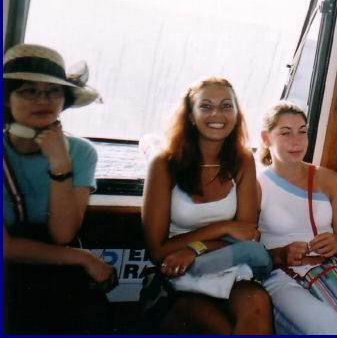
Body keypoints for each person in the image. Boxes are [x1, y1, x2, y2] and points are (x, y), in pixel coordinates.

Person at [140, 77, 273, 334]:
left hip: (228, 265)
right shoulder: (164, 164)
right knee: (217, 326)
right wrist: (223, 227)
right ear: (190, 116)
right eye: (206, 106)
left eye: (226, 105)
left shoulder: (243, 160)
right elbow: (157, 251)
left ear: (236, 114)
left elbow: (246, 235)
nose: (217, 114)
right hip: (176, 272)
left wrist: (196, 248)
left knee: (257, 303)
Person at [3, 43, 116, 333]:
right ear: (7, 100)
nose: (43, 100)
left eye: (53, 91)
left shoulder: (81, 153)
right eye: (29, 90)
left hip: (52, 268)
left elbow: (63, 234)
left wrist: (60, 164)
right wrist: (83, 258)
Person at [257, 101, 337, 334]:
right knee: (333, 331)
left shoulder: (329, 179)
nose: (296, 141)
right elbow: (246, 254)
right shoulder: (256, 185)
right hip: (281, 277)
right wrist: (280, 254)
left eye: (302, 131)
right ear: (266, 138)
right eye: (286, 133)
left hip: (328, 273)